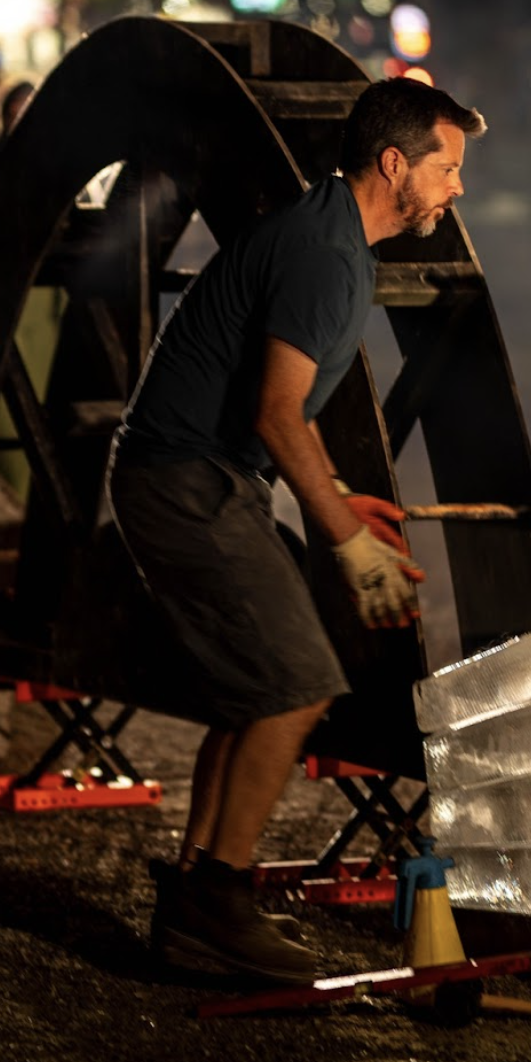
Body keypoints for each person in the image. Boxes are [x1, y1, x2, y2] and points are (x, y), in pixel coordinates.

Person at [107, 77, 480, 982]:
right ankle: (219, 905)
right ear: (396, 165)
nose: (457, 188)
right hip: (184, 479)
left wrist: (344, 498)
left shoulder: (331, 235)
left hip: (195, 474)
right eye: (448, 168)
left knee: (259, 687)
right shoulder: (327, 255)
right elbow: (279, 416)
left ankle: (197, 887)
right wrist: (347, 543)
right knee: (295, 684)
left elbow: (280, 413)